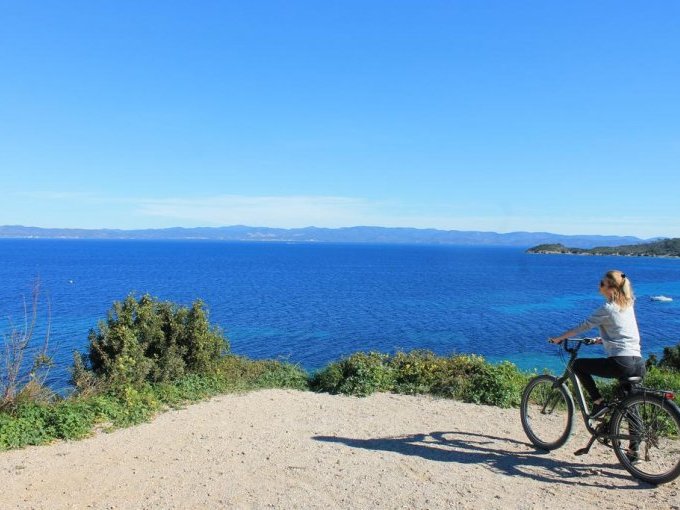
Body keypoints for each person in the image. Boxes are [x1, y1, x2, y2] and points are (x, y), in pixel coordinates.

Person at [549, 270, 645, 419]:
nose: (599, 286)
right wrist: (599, 340)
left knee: (577, 365)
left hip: (621, 362)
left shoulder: (608, 308)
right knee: (629, 403)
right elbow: (622, 333)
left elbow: (584, 326)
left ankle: (598, 402)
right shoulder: (628, 305)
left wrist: (559, 338)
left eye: (602, 283)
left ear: (611, 288)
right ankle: (634, 442)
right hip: (638, 362)